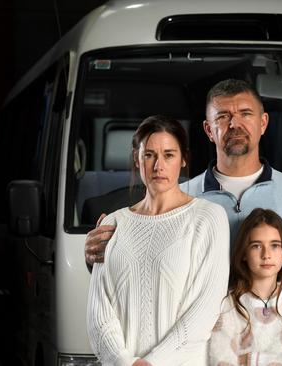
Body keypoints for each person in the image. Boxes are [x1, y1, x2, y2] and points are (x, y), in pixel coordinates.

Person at [85, 79, 282, 327]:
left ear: (263, 123)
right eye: (222, 117)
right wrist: (98, 255)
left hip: (277, 340)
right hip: (199, 346)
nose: (235, 124)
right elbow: (143, 265)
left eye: (245, 114)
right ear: (209, 130)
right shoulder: (178, 196)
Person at [87, 115, 230, 366]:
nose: (158, 166)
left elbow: (206, 309)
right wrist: (124, 362)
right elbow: (99, 314)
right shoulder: (112, 223)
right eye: (149, 155)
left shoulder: (208, 218)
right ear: (136, 159)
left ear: (183, 159)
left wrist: (151, 362)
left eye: (169, 155)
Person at [208, 208, 282, 366]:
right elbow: (220, 361)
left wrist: (252, 360)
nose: (266, 255)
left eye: (275, 245)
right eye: (256, 246)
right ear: (244, 253)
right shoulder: (227, 305)